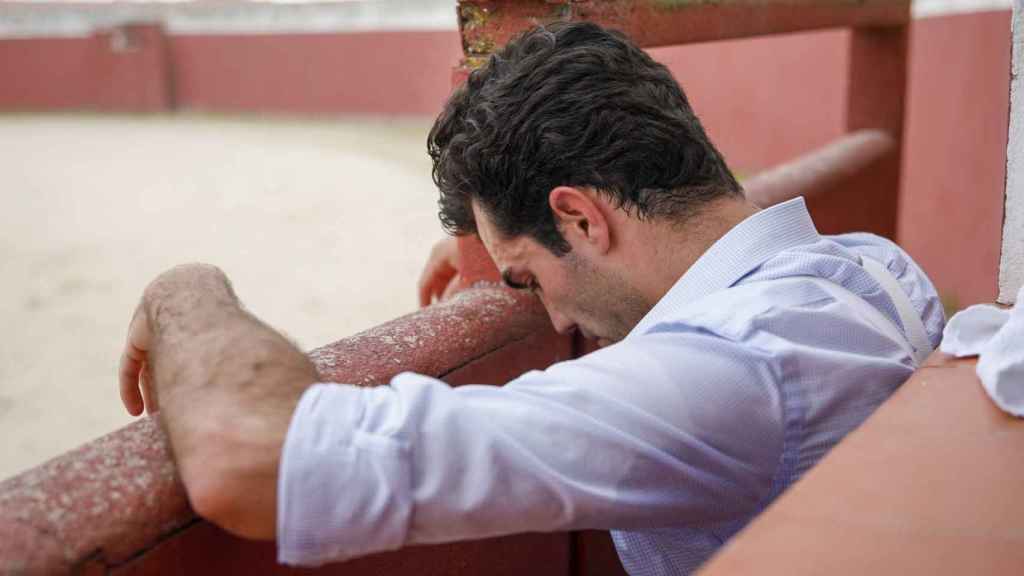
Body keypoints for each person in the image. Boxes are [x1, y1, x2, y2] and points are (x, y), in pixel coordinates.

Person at [118, 22, 945, 575]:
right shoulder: (874, 268)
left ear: (580, 216)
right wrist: (509, 242)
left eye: (526, 280)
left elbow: (251, 460)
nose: (550, 318)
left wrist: (183, 288)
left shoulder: (723, 376)